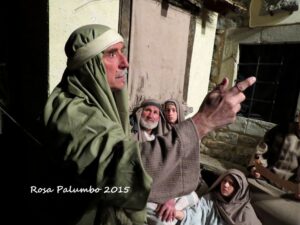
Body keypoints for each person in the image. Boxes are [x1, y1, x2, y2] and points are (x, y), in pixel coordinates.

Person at [42, 24, 256, 225]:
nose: (125, 63)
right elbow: (125, 170)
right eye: (112, 54)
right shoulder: (72, 114)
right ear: (89, 65)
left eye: (122, 51)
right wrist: (203, 122)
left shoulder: (98, 108)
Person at [131, 99, 199, 225]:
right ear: (140, 112)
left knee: (193, 197)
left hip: (166, 186)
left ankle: (173, 212)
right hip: (146, 189)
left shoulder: (159, 138)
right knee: (164, 221)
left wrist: (169, 197)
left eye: (156, 112)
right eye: (148, 111)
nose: (151, 116)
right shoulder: (132, 136)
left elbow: (172, 167)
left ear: (159, 118)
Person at [175, 169, 262, 225]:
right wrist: (181, 214)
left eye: (231, 183)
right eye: (224, 181)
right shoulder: (211, 198)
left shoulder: (245, 211)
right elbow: (198, 213)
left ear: (238, 189)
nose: (226, 185)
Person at [248, 113, 300, 199]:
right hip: (264, 180)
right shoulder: (282, 129)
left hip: (290, 193)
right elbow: (261, 150)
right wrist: (255, 167)